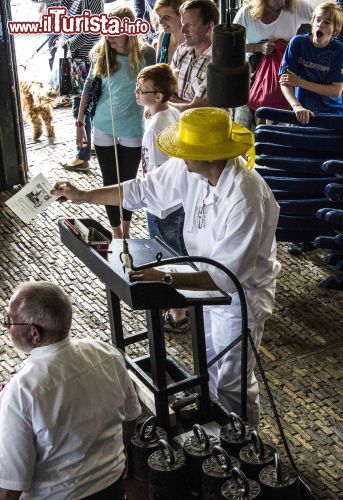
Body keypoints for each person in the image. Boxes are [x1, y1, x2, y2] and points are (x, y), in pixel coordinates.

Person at [52, 107, 281, 427]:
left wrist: (163, 277)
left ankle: (243, 443)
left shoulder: (245, 196)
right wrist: (84, 195)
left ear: (211, 156)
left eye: (188, 151)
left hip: (241, 296)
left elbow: (225, 279)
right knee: (211, 369)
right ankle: (217, 425)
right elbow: (142, 191)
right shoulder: (190, 169)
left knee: (233, 379)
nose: (180, 156)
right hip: (203, 282)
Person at [0, 281, 141, 499]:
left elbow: (11, 486)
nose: (7, 326)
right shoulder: (106, 354)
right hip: (112, 489)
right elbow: (131, 416)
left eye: (10, 321)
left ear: (34, 333)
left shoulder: (21, 391)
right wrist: (115, 457)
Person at [76, 6, 155, 238]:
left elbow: (156, 86)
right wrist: (80, 123)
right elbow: (88, 88)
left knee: (128, 182)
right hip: (103, 123)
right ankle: (117, 232)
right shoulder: (101, 52)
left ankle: (127, 229)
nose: (109, 35)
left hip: (132, 126)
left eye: (115, 30)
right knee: (109, 180)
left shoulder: (146, 53)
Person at [136, 63, 189, 332]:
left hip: (161, 204)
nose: (137, 93)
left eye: (142, 90)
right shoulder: (172, 115)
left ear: (158, 96)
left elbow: (155, 173)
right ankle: (185, 303)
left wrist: (140, 196)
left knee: (167, 258)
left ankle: (177, 314)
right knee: (179, 251)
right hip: (176, 201)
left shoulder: (156, 126)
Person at [233, 0, 313, 129]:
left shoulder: (296, 7)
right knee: (244, 124)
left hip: (285, 72)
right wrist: (258, 47)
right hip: (254, 74)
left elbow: (322, 20)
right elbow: (231, 45)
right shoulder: (246, 13)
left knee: (279, 124)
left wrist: (308, 45)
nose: (284, 2)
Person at [58, 0, 104, 172]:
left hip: (83, 60)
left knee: (81, 107)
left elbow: (92, 30)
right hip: (77, 58)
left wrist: (68, 44)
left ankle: (82, 157)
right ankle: (89, 147)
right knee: (84, 106)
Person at [279, 2, 343, 124]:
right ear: (312, 22)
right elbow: (285, 81)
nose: (320, 25)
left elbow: (336, 91)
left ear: (335, 29)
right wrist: (296, 106)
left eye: (327, 22)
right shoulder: (298, 43)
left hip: (333, 114)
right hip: (303, 113)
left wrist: (299, 82)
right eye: (318, 20)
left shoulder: (339, 51)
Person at [169, 0, 219, 111]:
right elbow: (164, 89)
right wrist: (188, 105)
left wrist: (163, 102)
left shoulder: (219, 62)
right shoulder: (181, 51)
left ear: (209, 26)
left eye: (190, 25)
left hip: (205, 128)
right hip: (177, 124)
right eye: (182, 24)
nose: (183, 30)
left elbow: (197, 111)